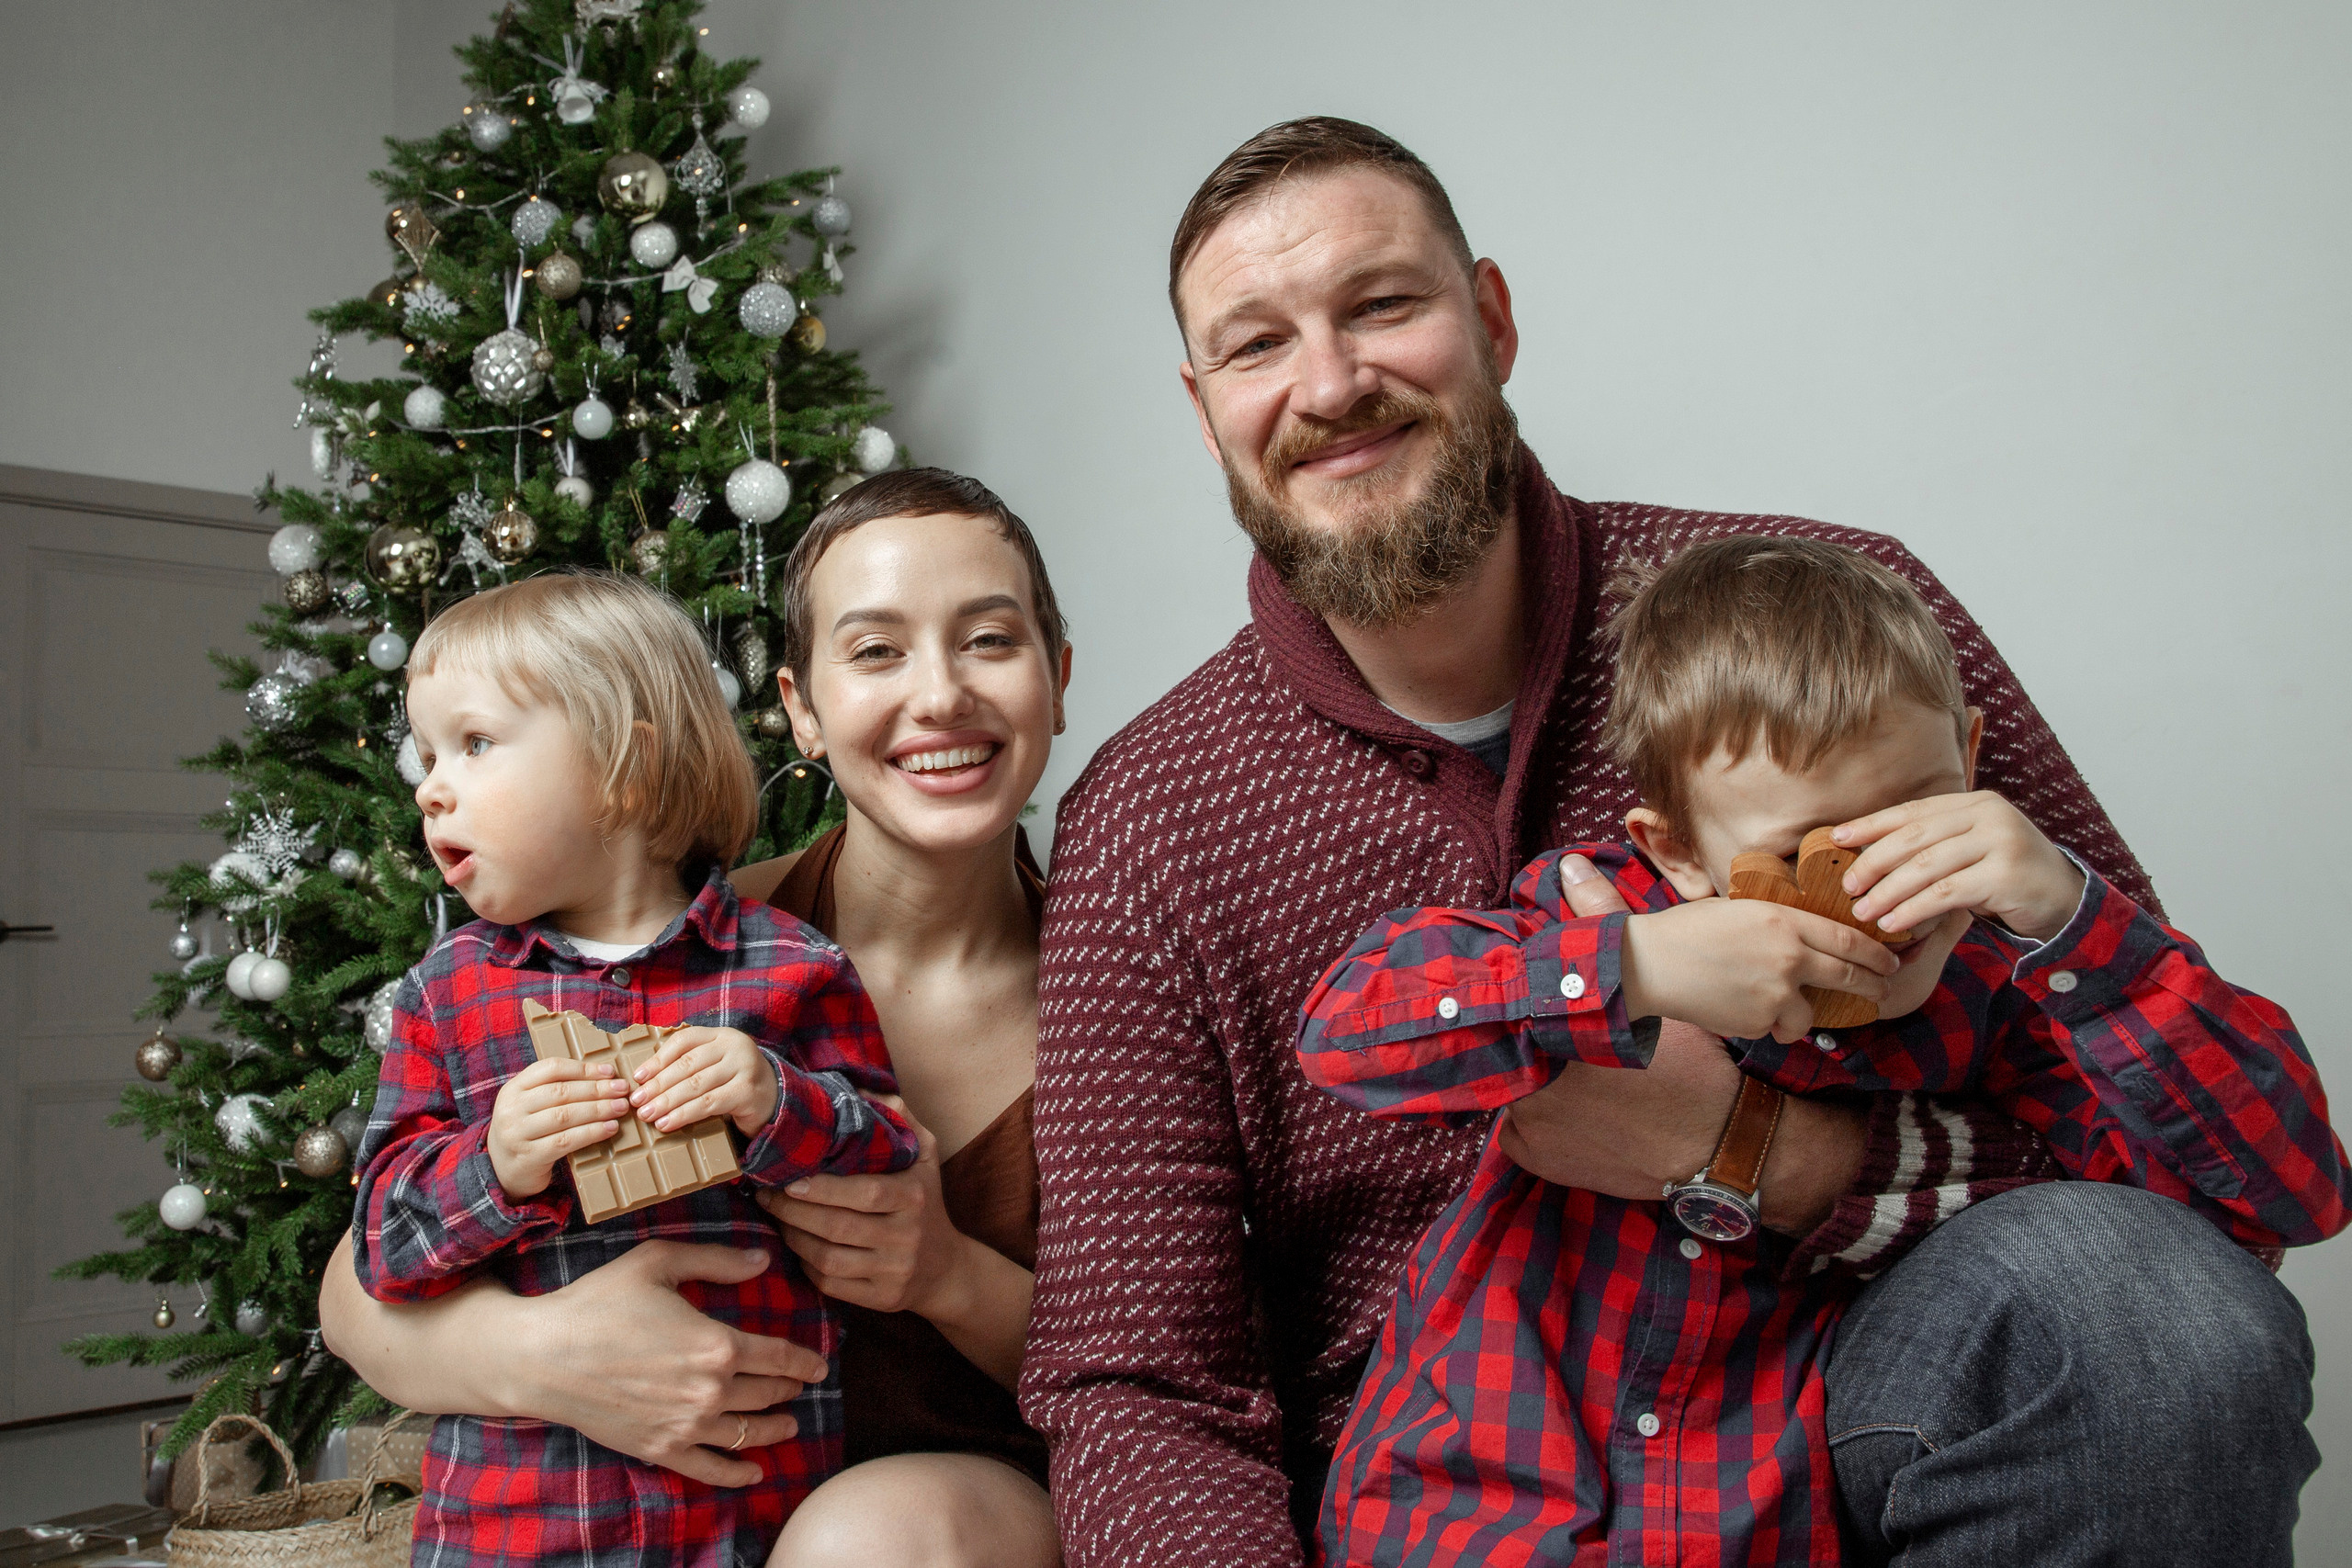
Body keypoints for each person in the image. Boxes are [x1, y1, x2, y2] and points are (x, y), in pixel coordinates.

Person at [1017, 117, 2319, 1566]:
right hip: (1444, 1492)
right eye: (1258, 345)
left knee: (2148, 1306)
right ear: (1206, 414)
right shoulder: (1148, 816)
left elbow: (2174, 1175)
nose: (1332, 382)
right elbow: (1138, 1376)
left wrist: (1754, 1151)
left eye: (1384, 303)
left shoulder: (1839, 628)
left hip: (1837, 1428)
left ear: (1492, 319)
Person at [1295, 535, 2346, 1563]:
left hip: (1758, 1517)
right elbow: (1351, 1036)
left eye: (1917, 827)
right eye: (1805, 855)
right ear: (1680, 852)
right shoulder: (1605, 919)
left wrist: (2079, 924)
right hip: (1486, 1504)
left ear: (1972, 766)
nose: (1879, 905)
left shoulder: (2004, 995)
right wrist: (1635, 969)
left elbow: (2265, 1211)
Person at [319, 471, 1070, 1567]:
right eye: (873, 651)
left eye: (990, 640)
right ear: (801, 709)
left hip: (948, 1515)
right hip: (613, 1503)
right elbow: (357, 1290)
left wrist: (945, 1273)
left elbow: (1190, 1369)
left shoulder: (1124, 987)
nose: (940, 695)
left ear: (1058, 677)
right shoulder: (657, 944)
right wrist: (545, 1356)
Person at [347, 570, 921, 1567]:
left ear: (623, 765)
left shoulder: (791, 969)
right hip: (515, 1527)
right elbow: (383, 1248)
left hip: (753, 1513)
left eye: (475, 744)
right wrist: (498, 1164)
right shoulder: (447, 994)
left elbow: (888, 1166)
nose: (430, 785)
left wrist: (773, 1101)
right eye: (427, 753)